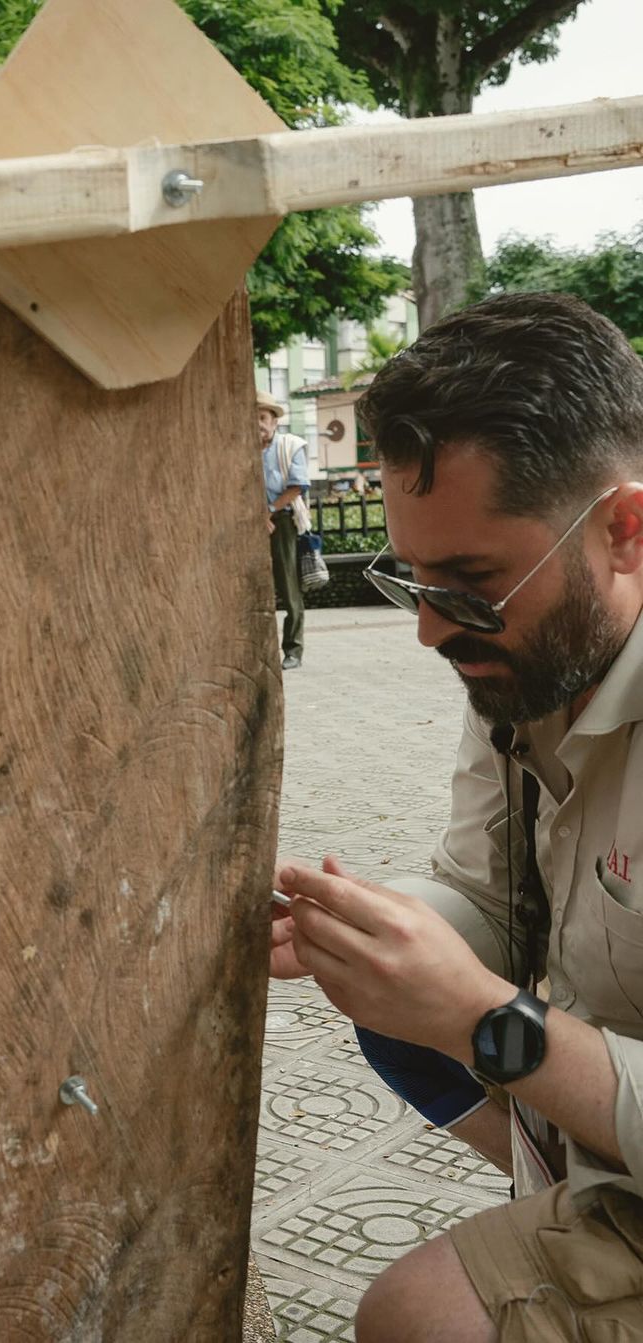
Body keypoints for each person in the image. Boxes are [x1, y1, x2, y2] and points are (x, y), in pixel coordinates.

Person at [270, 291, 643, 1342]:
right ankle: (569, 1205)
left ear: (625, 529)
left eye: (473, 584)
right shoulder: (534, 662)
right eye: (416, 579)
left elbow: (480, 1000)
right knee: (388, 996)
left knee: (417, 1312)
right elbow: (480, 891)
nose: (432, 630)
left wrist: (490, 1019)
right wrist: (353, 920)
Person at [257, 389, 310, 670]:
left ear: (274, 421)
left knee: (289, 588)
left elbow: (297, 486)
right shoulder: (242, 449)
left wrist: (270, 511)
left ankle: (293, 650)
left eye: (263, 417)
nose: (258, 423)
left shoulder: (290, 445)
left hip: (282, 521)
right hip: (252, 522)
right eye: (252, 417)